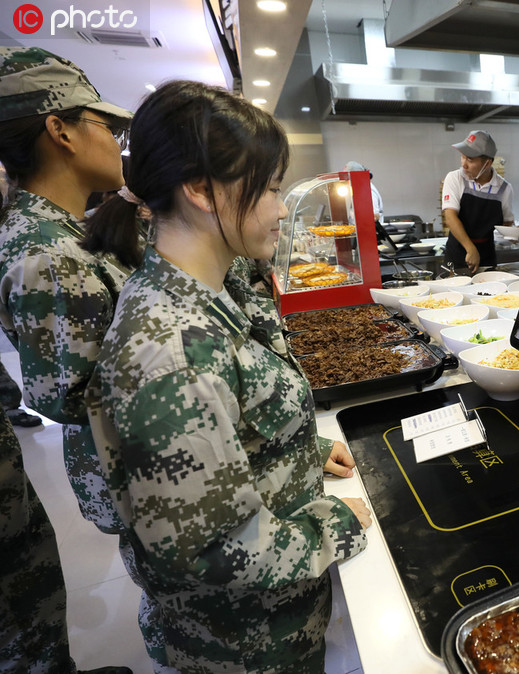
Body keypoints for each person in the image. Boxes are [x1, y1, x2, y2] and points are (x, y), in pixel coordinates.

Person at [84, 79, 371, 672]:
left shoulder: (200, 294)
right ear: (199, 190)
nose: (282, 207)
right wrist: (335, 526)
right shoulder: (171, 351)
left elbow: (222, 431)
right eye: (268, 188)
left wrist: (296, 448)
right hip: (244, 645)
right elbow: (208, 552)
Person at [0, 47, 135, 674]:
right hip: (132, 466)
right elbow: (66, 394)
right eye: (104, 124)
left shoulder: (65, 231)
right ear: (60, 130)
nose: (114, 139)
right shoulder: (47, 252)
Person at [442, 130, 515, 273]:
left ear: (487, 163)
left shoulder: (504, 189)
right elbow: (450, 217)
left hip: (487, 257)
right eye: (462, 157)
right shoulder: (455, 178)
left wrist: (512, 234)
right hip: (457, 255)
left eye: (470, 159)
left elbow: (506, 223)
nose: (464, 164)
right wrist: (470, 249)